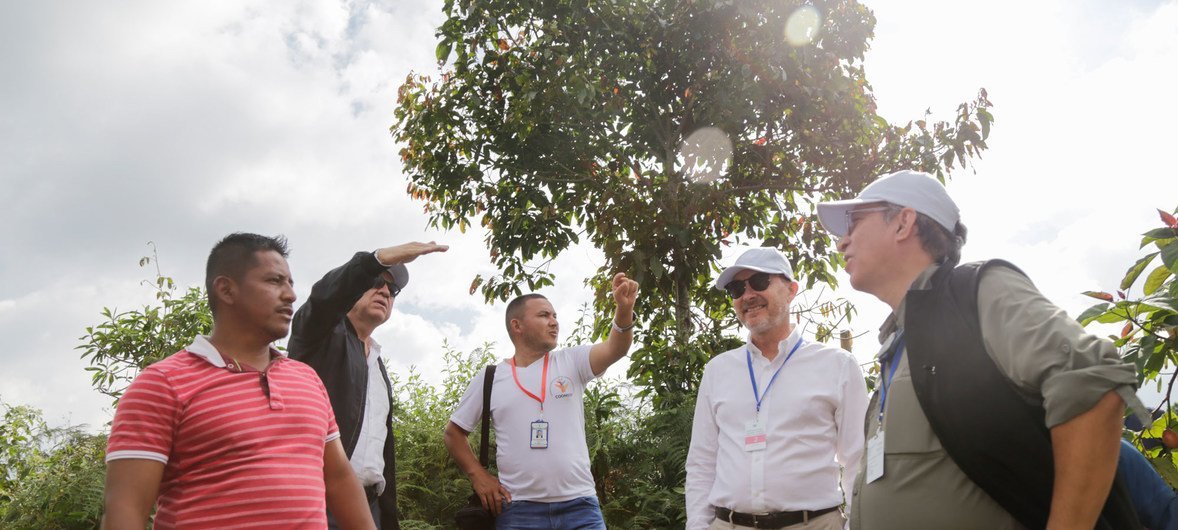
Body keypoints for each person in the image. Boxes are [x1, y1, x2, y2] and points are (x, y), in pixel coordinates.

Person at [816, 170, 1145, 529]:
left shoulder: (975, 292)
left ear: (903, 223)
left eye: (854, 221)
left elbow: (1092, 384)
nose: (841, 242)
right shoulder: (897, 343)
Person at [103, 232, 375, 529]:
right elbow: (126, 509)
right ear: (226, 290)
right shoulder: (162, 384)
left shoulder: (307, 379)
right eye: (274, 281)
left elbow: (338, 479)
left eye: (290, 283)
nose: (290, 295)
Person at [685, 247, 868, 530]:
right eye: (737, 288)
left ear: (791, 290)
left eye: (759, 282)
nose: (747, 295)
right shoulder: (718, 371)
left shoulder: (838, 365)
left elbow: (859, 458)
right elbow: (701, 462)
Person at [443, 273, 639, 529]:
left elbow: (616, 348)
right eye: (544, 315)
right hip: (518, 510)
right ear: (517, 326)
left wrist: (624, 311)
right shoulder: (491, 377)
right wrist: (478, 476)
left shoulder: (572, 361)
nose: (554, 322)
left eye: (555, 316)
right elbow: (453, 433)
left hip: (580, 506)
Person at [288, 241, 449, 529]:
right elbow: (324, 300)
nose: (385, 291)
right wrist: (377, 260)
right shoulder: (321, 335)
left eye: (392, 289)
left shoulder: (377, 364)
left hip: (367, 506)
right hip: (318, 501)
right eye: (376, 281)